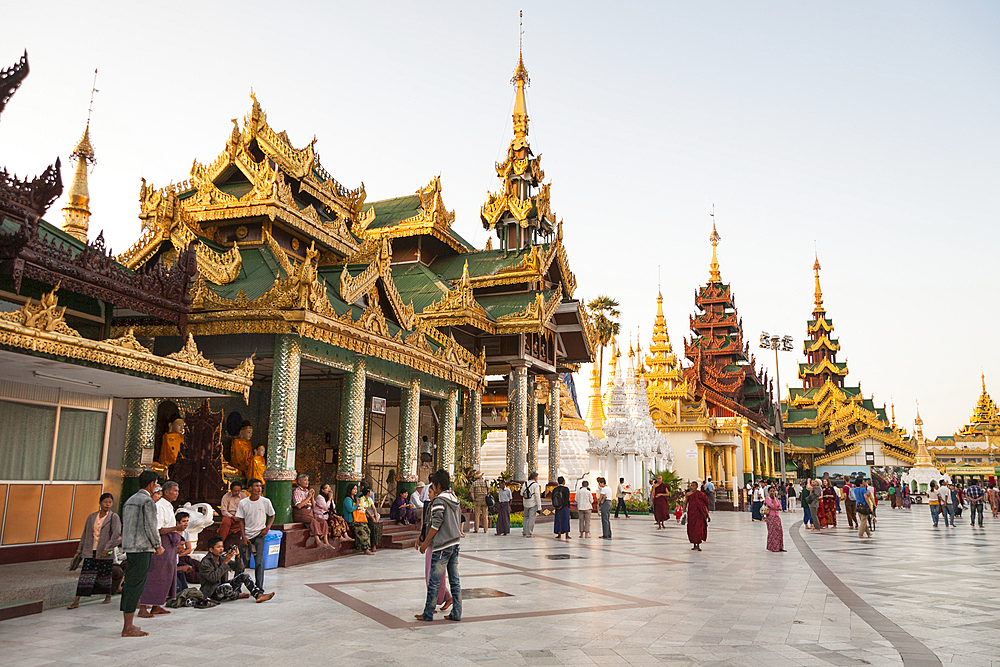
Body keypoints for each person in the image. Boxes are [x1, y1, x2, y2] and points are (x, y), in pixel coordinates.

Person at [416, 469, 463, 622]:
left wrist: (426, 542)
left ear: (437, 485)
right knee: (454, 581)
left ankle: (428, 613)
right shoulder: (454, 499)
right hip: (455, 543)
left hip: (442, 546)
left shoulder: (439, 501)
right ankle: (457, 612)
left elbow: (436, 524)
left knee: (434, 581)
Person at [120, 471, 163, 637]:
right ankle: (127, 627)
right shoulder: (147, 501)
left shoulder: (130, 500)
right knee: (135, 585)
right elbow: (150, 527)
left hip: (130, 547)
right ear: (152, 484)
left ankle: (128, 623)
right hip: (142, 548)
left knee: (130, 585)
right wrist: (157, 545)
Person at [69, 493, 122, 609]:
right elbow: (85, 534)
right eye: (105, 502)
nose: (108, 504)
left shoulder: (114, 517)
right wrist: (79, 550)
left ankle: (107, 595)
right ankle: (76, 600)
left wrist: (107, 548)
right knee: (85, 575)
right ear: (100, 503)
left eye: (110, 502)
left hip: (105, 552)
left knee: (105, 575)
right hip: (90, 550)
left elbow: (115, 535)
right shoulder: (92, 517)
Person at [139, 512, 188, 618]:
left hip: (169, 550)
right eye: (184, 521)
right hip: (161, 545)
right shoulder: (159, 506)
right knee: (153, 577)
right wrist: (175, 528)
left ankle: (157, 605)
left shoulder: (169, 507)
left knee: (164, 578)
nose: (176, 493)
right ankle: (143, 607)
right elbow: (158, 530)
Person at [199, 536, 272, 602]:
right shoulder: (205, 562)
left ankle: (258, 595)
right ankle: (237, 595)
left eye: (222, 547)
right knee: (226, 587)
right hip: (211, 592)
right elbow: (213, 578)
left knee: (244, 575)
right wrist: (225, 562)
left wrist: (238, 556)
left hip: (224, 586)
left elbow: (239, 568)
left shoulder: (222, 558)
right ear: (211, 550)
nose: (221, 549)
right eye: (218, 547)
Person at [235, 478, 275, 595]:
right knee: (241, 563)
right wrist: (243, 536)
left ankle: (259, 588)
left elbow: (272, 515)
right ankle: (237, 589)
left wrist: (267, 528)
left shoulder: (265, 501)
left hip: (259, 535)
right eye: (256, 486)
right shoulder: (243, 503)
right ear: (250, 489)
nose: (259, 488)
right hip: (246, 535)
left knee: (259, 562)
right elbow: (241, 520)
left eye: (260, 486)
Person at [292, 473, 332, 548]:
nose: (307, 482)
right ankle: (318, 541)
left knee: (323, 522)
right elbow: (299, 506)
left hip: (309, 513)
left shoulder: (307, 491)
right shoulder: (296, 492)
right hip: (301, 513)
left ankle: (326, 542)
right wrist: (308, 497)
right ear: (299, 482)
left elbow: (313, 506)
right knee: (314, 522)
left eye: (307, 480)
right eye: (304, 480)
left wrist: (312, 497)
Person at [342, 483, 372, 555]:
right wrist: (357, 505)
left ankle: (362, 547)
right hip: (351, 520)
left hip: (357, 519)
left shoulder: (355, 499)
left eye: (356, 489)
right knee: (362, 531)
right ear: (350, 490)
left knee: (367, 529)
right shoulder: (347, 499)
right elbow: (350, 509)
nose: (355, 490)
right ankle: (365, 549)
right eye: (354, 489)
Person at [685, 481, 709, 551]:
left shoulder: (701, 494)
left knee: (698, 529)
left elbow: (705, 504)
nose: (692, 487)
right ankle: (694, 544)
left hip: (699, 514)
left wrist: (707, 514)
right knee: (692, 529)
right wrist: (683, 510)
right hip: (691, 513)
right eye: (691, 486)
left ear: (696, 486)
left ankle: (698, 544)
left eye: (693, 486)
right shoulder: (688, 494)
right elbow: (685, 503)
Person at [359, 483, 382, 552]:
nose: (371, 493)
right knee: (373, 527)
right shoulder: (361, 499)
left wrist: (376, 518)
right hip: (366, 515)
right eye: (370, 492)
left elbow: (374, 509)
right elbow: (365, 510)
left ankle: (375, 544)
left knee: (378, 526)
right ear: (368, 492)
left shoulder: (369, 499)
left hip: (372, 515)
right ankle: (372, 545)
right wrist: (372, 518)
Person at [763, 487, 785, 552]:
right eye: (771, 491)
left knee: (779, 532)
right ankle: (773, 547)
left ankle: (779, 547)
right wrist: (776, 508)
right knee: (772, 532)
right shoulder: (767, 499)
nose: (772, 492)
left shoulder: (776, 499)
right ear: (768, 492)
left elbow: (780, 507)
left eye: (773, 491)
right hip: (770, 517)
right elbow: (771, 505)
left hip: (777, 517)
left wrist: (775, 508)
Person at [521, 472, 540, 538]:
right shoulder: (535, 485)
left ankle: (524, 532)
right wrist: (539, 507)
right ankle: (529, 533)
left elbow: (521, 493)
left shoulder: (525, 483)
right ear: (535, 477)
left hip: (525, 503)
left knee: (525, 517)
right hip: (532, 504)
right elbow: (537, 496)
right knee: (531, 518)